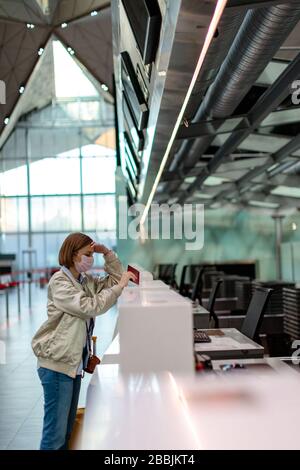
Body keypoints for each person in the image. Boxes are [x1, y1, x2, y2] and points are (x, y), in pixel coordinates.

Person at [31, 232, 135, 450]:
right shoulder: (60, 282)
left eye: (92, 254)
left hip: (73, 365)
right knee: (54, 437)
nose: (91, 258)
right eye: (87, 254)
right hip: (58, 366)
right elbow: (90, 307)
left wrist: (107, 253)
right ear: (73, 254)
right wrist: (119, 287)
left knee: (66, 433)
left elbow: (115, 280)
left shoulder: (83, 281)